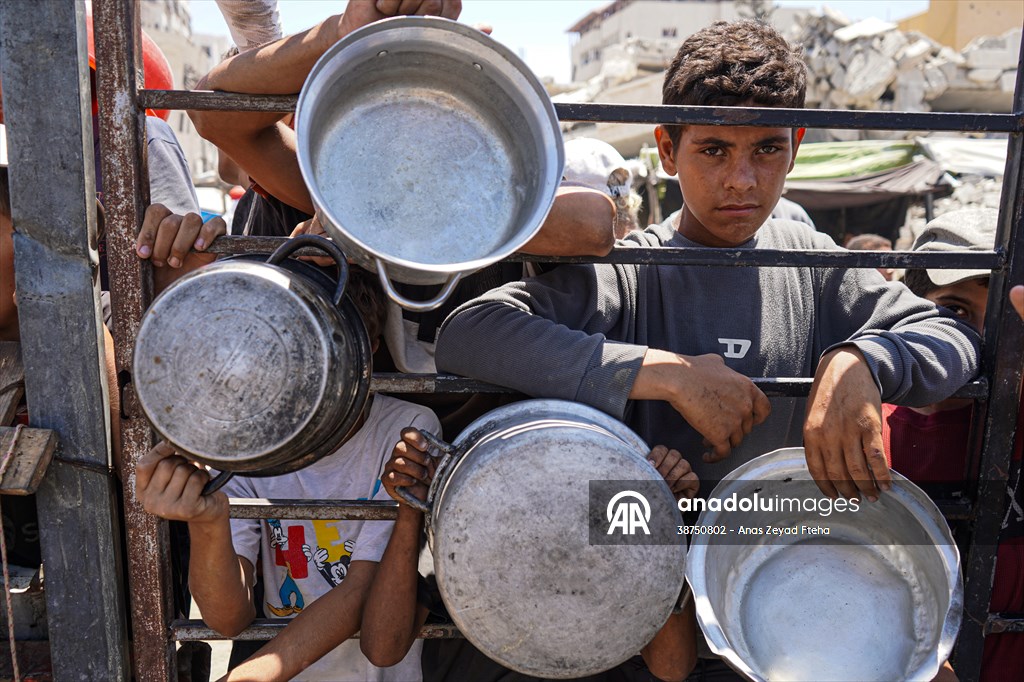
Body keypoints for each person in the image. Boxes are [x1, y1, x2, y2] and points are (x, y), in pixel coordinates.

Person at [435, 18, 980, 508]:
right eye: (714, 150)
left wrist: (861, 361)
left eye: (766, 149)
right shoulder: (629, 271)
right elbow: (468, 335)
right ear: (668, 152)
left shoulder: (814, 264)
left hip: (772, 560)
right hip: (643, 561)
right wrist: (666, 374)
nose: (742, 179)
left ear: (796, 145)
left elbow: (953, 337)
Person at [135, 268, 442, 681]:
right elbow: (228, 618)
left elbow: (360, 594)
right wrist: (207, 521)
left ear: (365, 352)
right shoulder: (247, 440)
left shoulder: (404, 429)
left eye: (319, 356)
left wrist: (251, 676)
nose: (300, 378)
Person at [361, 428, 698, 682]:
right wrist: (412, 505)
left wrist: (660, 516)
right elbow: (383, 647)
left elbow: (672, 666)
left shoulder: (613, 525)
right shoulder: (465, 529)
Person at [880, 208, 1022, 682]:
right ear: (908, 308)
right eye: (956, 311)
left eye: (1003, 315)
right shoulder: (865, 432)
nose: (981, 340)